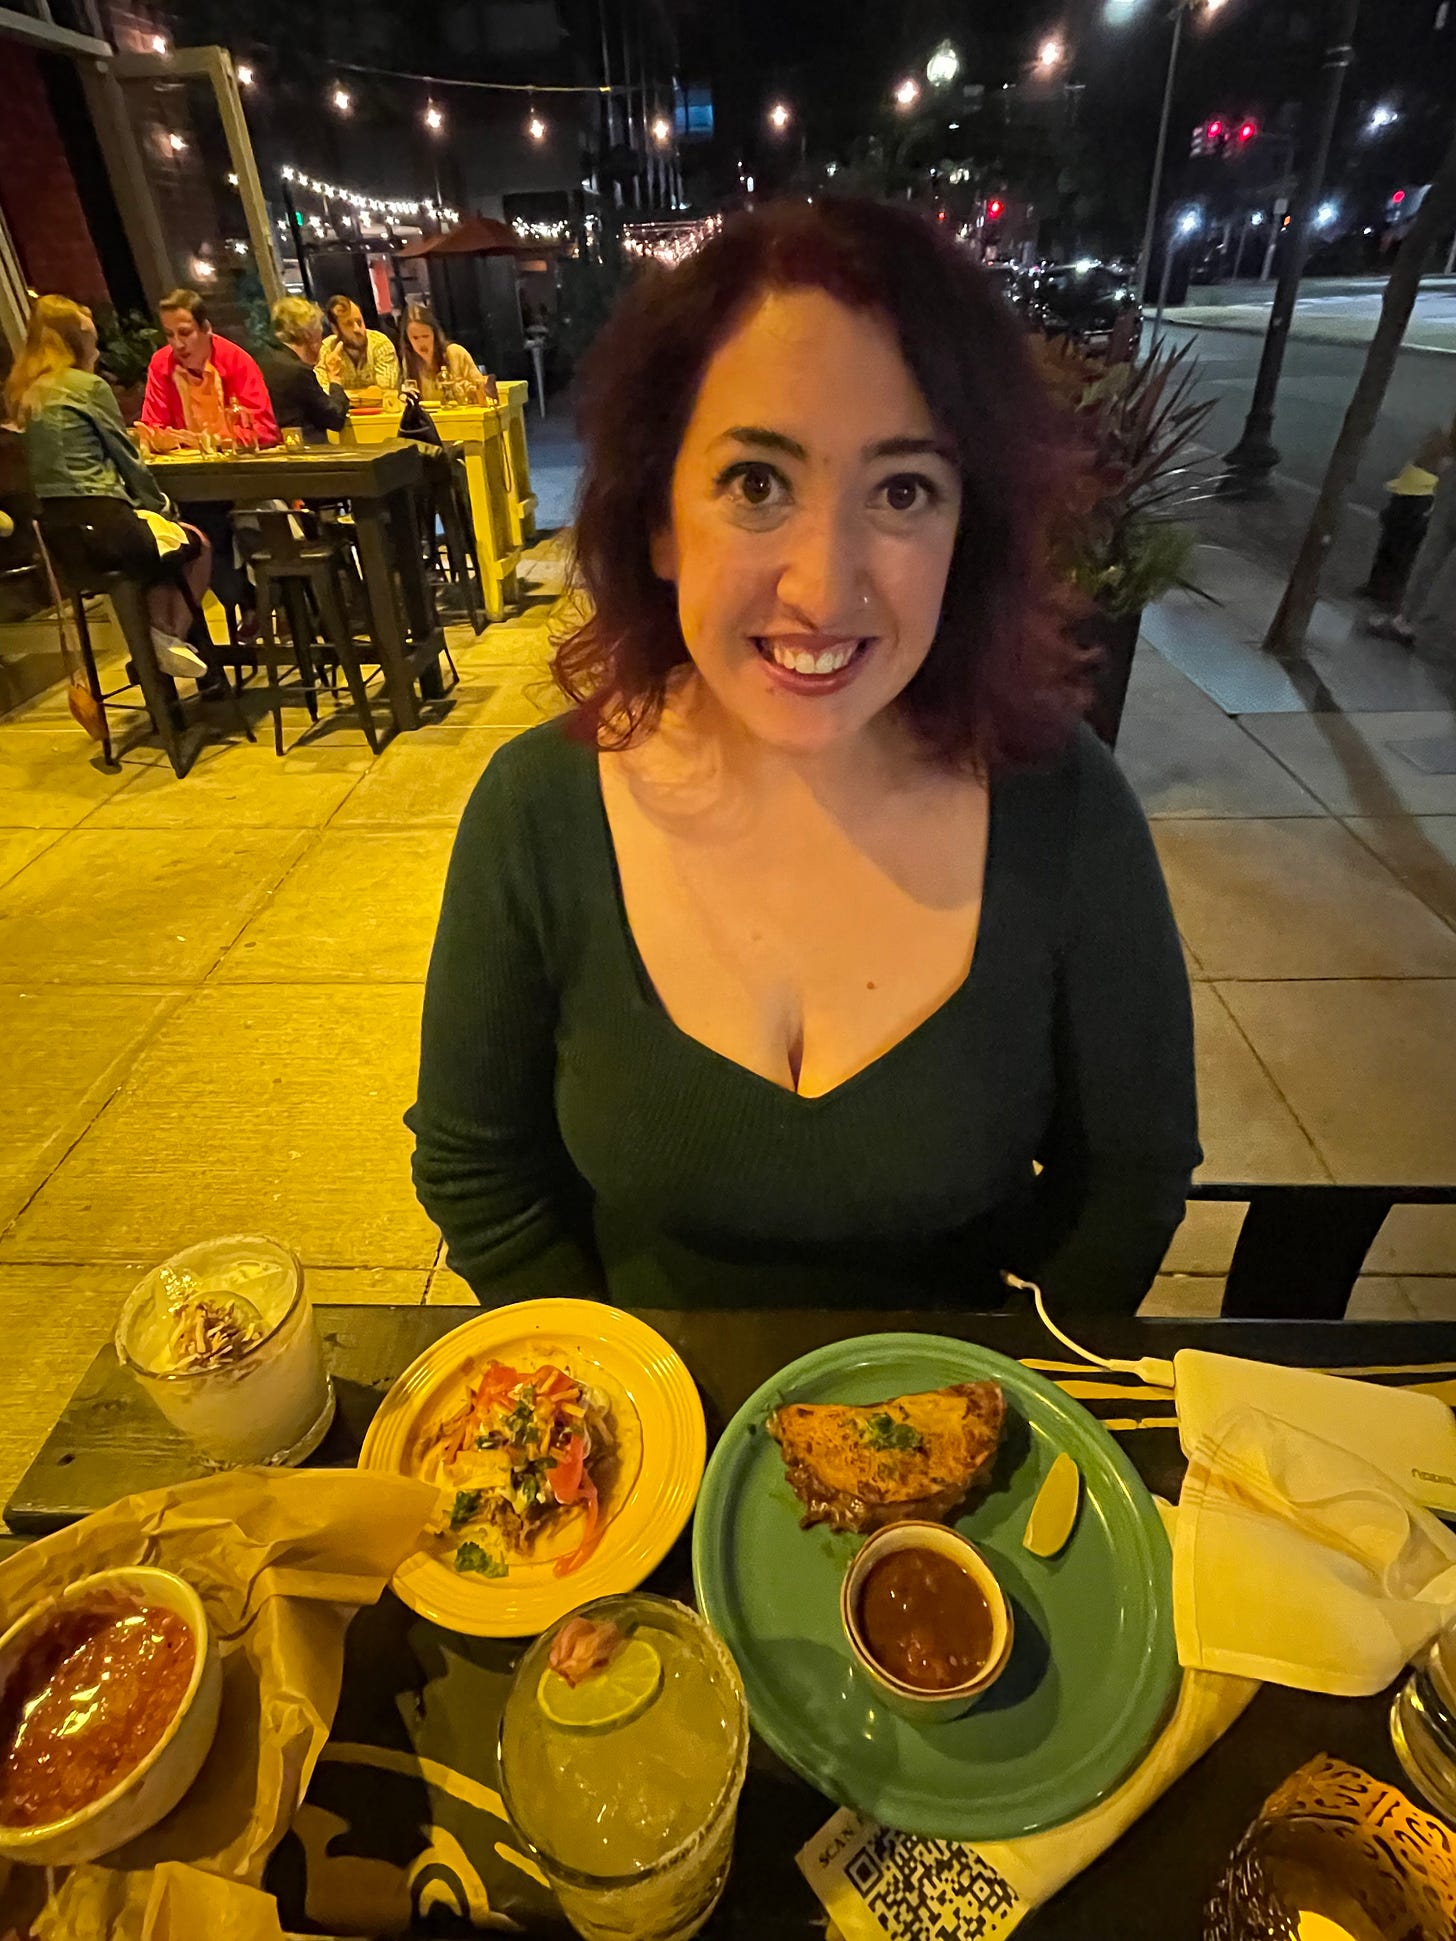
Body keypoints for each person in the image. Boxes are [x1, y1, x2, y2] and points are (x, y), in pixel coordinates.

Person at [408, 199, 1200, 1316]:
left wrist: (990, 1411)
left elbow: (1128, 1185)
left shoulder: (1064, 808)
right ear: (658, 520)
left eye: (902, 490)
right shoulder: (537, 813)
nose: (825, 590)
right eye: (756, 485)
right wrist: (620, 1407)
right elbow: (476, 1172)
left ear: (964, 531)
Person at [9, 295, 216, 679]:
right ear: (76, 341)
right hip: (105, 526)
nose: (99, 348)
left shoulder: (27, 392)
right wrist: (163, 507)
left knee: (157, 554)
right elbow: (129, 461)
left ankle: (158, 646)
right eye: (92, 338)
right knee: (196, 543)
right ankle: (166, 640)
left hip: (62, 538)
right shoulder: (86, 386)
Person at [138, 287, 277, 449]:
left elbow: (265, 431)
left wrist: (215, 441)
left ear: (206, 329)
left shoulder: (236, 361)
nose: (177, 344)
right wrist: (154, 438)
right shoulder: (161, 363)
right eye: (169, 334)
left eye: (185, 333)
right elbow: (153, 424)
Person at [255, 296, 349, 443]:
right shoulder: (297, 371)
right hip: (306, 454)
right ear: (309, 335)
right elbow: (335, 418)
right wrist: (335, 379)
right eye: (319, 332)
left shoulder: (262, 360)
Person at [399, 303, 494, 403]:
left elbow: (483, 390)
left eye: (425, 336)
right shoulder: (409, 362)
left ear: (435, 335)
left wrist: (465, 389)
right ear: (407, 340)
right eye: (415, 338)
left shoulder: (455, 353)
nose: (421, 343)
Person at [320, 296, 401, 396]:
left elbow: (385, 390)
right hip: (343, 411)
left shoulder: (380, 343)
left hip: (380, 410)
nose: (357, 329)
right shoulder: (327, 348)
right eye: (348, 324)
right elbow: (322, 393)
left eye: (359, 322)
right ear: (335, 329)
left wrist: (342, 395)